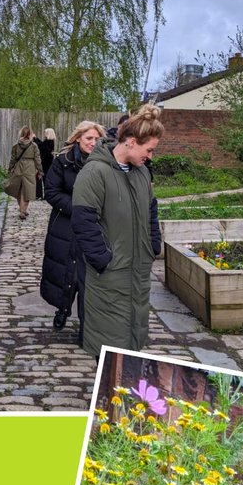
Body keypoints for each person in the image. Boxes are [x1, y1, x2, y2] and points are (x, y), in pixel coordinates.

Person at [71, 104, 164, 356]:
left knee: (132, 345)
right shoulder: (95, 173)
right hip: (109, 277)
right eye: (149, 150)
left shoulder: (142, 172)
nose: (151, 157)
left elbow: (151, 211)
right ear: (131, 142)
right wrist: (103, 260)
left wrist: (153, 246)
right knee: (110, 350)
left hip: (137, 272)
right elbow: (84, 223)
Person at [40, 121, 106, 341]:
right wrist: (77, 209)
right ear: (78, 138)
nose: (93, 143)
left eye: (97, 139)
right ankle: (63, 309)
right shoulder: (63, 162)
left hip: (95, 227)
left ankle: (88, 325)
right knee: (66, 271)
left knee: (88, 276)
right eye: (89, 138)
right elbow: (51, 191)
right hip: (66, 225)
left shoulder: (106, 164)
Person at [3, 125, 42, 219]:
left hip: (18, 167)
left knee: (19, 189)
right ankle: (23, 211)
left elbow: (13, 159)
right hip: (30, 168)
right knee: (28, 190)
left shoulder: (16, 145)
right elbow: (37, 159)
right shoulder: (34, 146)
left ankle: (22, 209)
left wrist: (10, 168)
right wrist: (40, 171)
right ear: (30, 134)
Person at [35, 127, 56, 200]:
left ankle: (46, 195)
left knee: (45, 178)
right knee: (45, 178)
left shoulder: (49, 141)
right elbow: (42, 145)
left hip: (46, 162)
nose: (44, 134)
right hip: (48, 161)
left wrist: (35, 139)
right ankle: (45, 195)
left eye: (45, 133)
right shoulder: (49, 141)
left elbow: (41, 146)